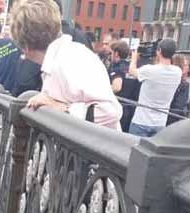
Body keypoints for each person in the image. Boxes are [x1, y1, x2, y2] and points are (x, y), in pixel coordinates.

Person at [25, 0, 122, 128]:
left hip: (92, 144)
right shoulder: (62, 56)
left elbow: (110, 112)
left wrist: (62, 108)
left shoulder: (70, 57)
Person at [127, 37, 181, 137]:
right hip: (160, 124)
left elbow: (131, 71)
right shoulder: (178, 72)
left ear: (159, 51)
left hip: (141, 121)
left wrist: (134, 57)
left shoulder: (149, 70)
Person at [167, 54, 190, 126]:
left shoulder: (185, 84)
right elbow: (179, 107)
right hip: (170, 120)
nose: (188, 68)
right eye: (185, 65)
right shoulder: (183, 85)